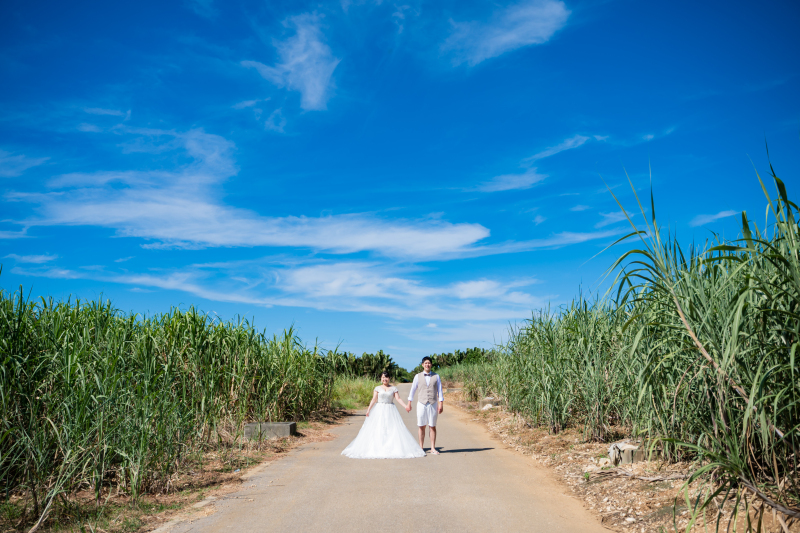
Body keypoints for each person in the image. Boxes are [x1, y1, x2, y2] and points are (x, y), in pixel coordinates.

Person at [341, 371, 426, 459]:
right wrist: (368, 410)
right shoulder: (377, 388)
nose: (384, 379)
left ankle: (391, 447)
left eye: (386, 377)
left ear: (389, 378)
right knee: (378, 428)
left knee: (392, 428)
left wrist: (405, 406)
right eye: (382, 377)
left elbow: (398, 398)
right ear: (381, 379)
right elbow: (374, 399)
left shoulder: (393, 388)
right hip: (379, 409)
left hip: (390, 409)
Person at [406, 356, 443, 454]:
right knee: (421, 426)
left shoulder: (436, 376)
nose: (427, 364)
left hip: (433, 403)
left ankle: (432, 448)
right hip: (421, 403)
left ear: (431, 365)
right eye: (425, 363)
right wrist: (409, 403)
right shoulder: (417, 376)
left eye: (429, 363)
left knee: (432, 426)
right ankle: (421, 448)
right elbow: (413, 390)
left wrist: (441, 403)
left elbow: (440, 391)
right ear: (422, 365)